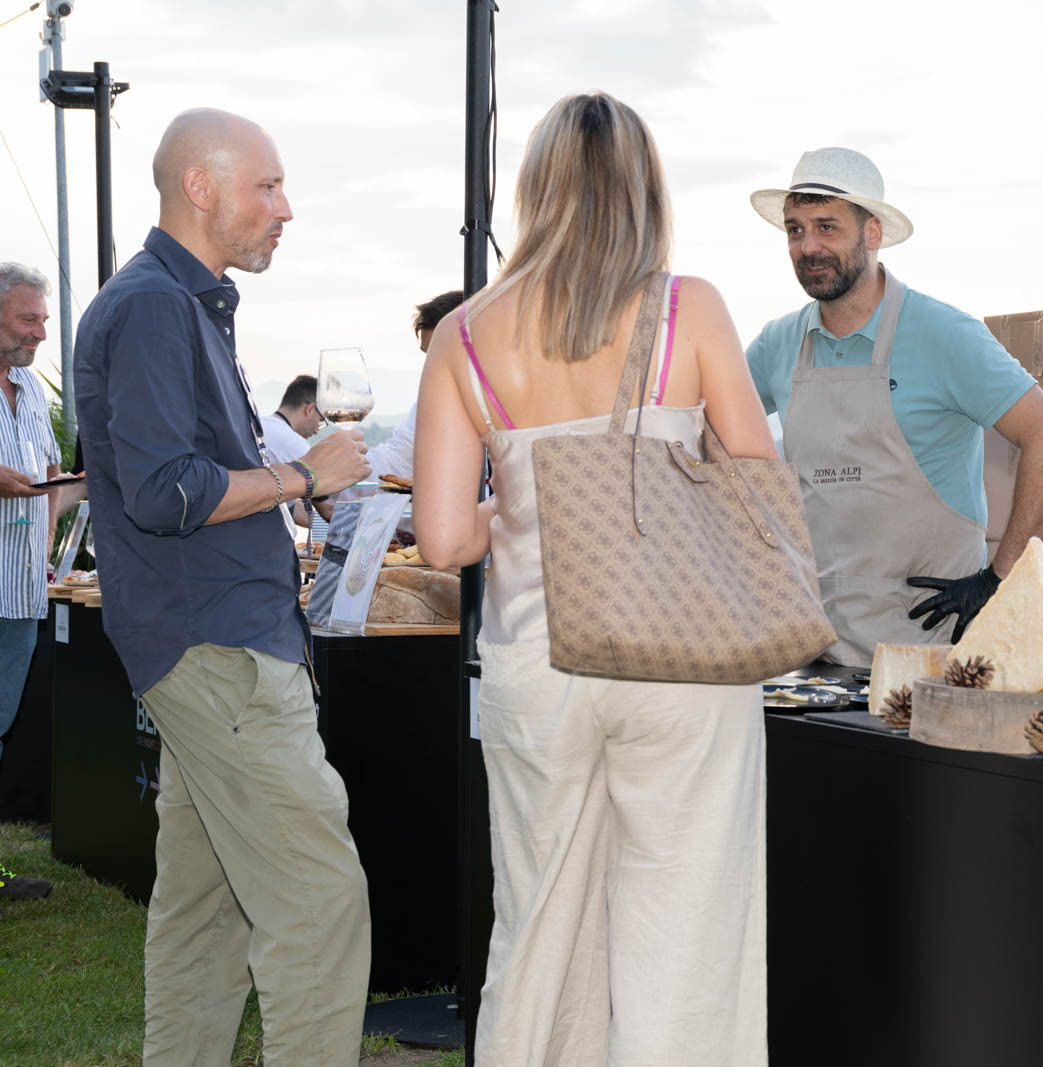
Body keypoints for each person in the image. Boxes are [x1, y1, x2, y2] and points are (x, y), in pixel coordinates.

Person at [414, 91, 771, 1065]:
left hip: (539, 662)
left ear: (536, 191)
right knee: (686, 933)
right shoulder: (688, 307)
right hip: (680, 658)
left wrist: (528, 507)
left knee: (538, 928)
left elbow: (441, 539)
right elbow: (754, 476)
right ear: (644, 189)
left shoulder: (464, 334)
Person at [73, 108, 372, 1064]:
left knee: (206, 916)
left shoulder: (176, 302)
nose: (286, 208)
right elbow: (166, 491)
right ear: (200, 188)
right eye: (268, 186)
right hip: (219, 651)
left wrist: (295, 487)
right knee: (318, 902)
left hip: (209, 643)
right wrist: (303, 476)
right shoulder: (155, 306)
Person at [745, 147, 1043, 664]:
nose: (808, 247)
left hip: (927, 656)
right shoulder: (776, 344)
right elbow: (708, 432)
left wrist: (1000, 578)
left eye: (827, 227)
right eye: (795, 230)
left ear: (872, 233)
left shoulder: (945, 335)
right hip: (810, 655)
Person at [0, 261, 60, 908]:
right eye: (27, 318)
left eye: (42, 319)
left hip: (19, 591)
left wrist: (46, 549)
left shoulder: (32, 389)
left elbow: (48, 473)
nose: (40, 332)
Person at [363, 289, 464, 481]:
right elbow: (397, 458)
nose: (430, 367)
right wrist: (333, 475)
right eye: (428, 355)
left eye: (442, 354)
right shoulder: (435, 402)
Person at [262, 374, 331, 525]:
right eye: (320, 421)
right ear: (310, 409)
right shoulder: (293, 443)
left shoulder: (261, 425)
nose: (316, 431)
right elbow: (328, 509)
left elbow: (288, 508)